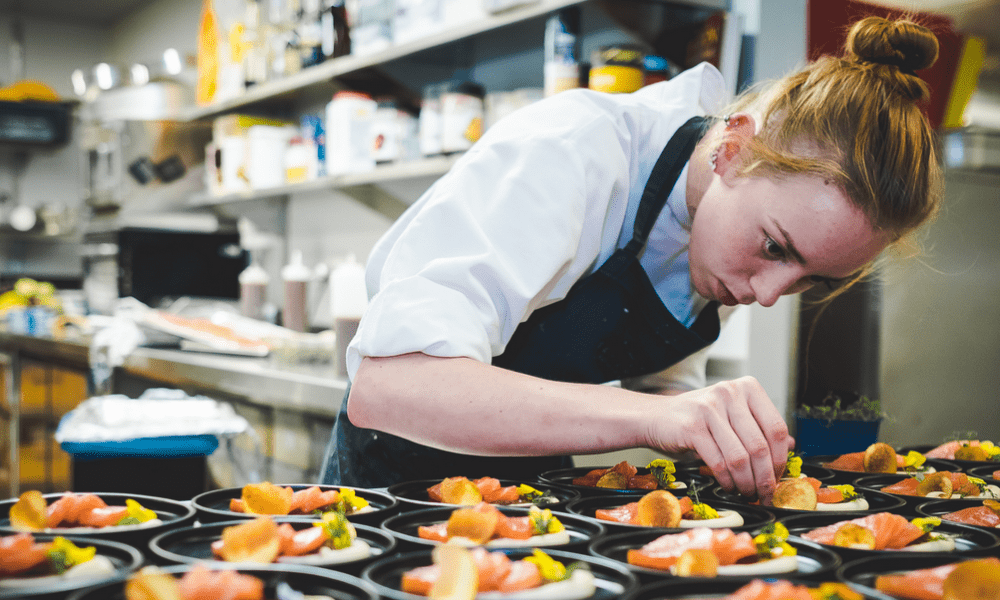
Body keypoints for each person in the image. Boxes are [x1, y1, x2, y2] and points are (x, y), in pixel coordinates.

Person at [320, 16, 943, 504]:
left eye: (813, 279)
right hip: (391, 494)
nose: (770, 293)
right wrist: (660, 417)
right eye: (776, 248)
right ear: (732, 148)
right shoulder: (573, 154)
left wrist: (711, 424)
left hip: (528, 501)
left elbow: (655, 380)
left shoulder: (722, 239)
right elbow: (392, 385)